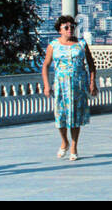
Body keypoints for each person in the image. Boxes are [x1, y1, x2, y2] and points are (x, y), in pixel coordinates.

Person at [42, 15, 98, 160]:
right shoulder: (53, 45)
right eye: (66, 27)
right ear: (60, 30)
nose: (70, 30)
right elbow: (46, 66)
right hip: (61, 84)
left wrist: (92, 82)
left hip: (78, 84)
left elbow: (91, 64)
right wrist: (47, 85)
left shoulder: (81, 44)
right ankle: (64, 141)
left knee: (75, 117)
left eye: (72, 27)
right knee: (60, 115)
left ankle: (73, 145)